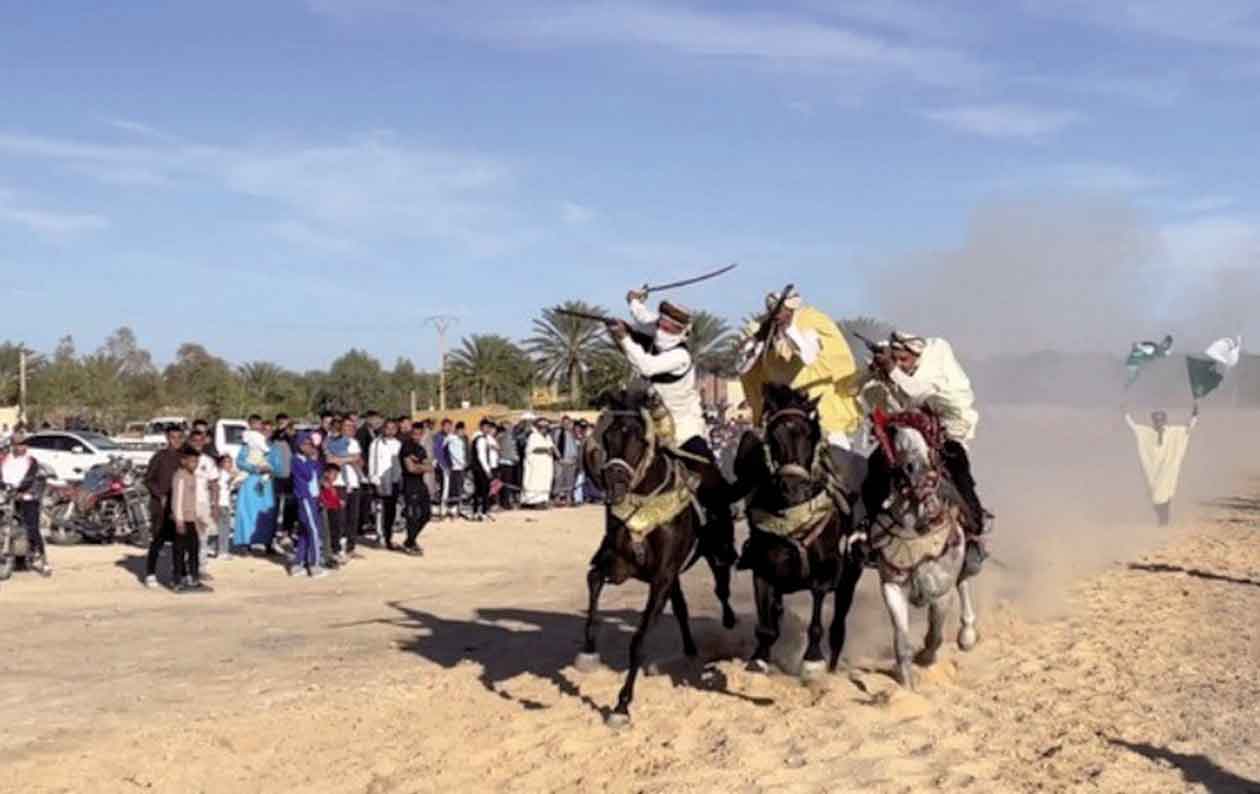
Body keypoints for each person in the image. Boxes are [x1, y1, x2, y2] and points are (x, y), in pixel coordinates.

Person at [606, 290, 739, 563]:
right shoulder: (656, 329)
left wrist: (623, 338)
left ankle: (723, 545)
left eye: (670, 327)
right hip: (651, 425)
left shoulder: (680, 357)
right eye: (663, 323)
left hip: (684, 429)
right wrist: (634, 300)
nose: (663, 329)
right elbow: (642, 317)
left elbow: (646, 364)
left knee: (714, 485)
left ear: (681, 332)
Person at [862, 331, 991, 544]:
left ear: (917, 357)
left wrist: (891, 369)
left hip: (945, 433)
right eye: (896, 359)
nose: (900, 364)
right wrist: (873, 371)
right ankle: (865, 529)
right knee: (874, 469)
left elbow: (916, 393)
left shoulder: (932, 373)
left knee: (959, 470)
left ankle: (974, 525)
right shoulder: (897, 373)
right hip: (905, 435)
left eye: (904, 359)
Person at [737, 287, 863, 452]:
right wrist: (760, 339)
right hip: (778, 408)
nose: (777, 315)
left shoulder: (813, 320)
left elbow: (809, 358)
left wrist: (788, 330)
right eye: (774, 311)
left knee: (839, 454)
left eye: (782, 310)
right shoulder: (760, 327)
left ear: (791, 309)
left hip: (817, 405)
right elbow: (742, 366)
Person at [1126, 404, 1198, 526]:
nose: (1158, 423)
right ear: (1153, 421)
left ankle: (1164, 520)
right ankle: (1162, 517)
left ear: (1165, 420)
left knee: (1165, 492)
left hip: (1168, 469)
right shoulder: (1147, 433)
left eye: (1161, 420)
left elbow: (1188, 429)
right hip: (1153, 471)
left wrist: (1194, 415)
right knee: (1155, 495)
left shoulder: (1173, 432)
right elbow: (1133, 427)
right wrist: (1125, 413)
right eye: (1156, 420)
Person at [0, 432, 51, 576]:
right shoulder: (4, 459)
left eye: (23, 444)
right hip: (7, 496)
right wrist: (4, 487)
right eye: (17, 444)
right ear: (12, 445)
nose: (21, 447)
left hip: (27, 496)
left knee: (32, 528)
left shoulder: (31, 461)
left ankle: (43, 561)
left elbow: (31, 478)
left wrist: (22, 490)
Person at [143, 426, 186, 588]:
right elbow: (148, 479)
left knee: (179, 541)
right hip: (160, 505)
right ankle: (150, 573)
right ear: (167, 438)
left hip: (180, 505)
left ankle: (179, 574)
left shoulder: (185, 457)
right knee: (158, 540)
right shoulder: (159, 457)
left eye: (179, 437)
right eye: (173, 437)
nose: (176, 441)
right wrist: (159, 495)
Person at [232, 430, 278, 555]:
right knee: (246, 512)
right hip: (249, 483)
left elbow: (277, 464)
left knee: (267, 512)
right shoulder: (246, 447)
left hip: (266, 485)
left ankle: (267, 543)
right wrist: (255, 468)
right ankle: (245, 544)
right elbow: (240, 462)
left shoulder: (272, 448)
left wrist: (270, 469)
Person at [326, 416, 365, 558]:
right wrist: (350, 458)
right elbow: (330, 460)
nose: (349, 429)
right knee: (338, 518)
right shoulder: (331, 442)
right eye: (346, 426)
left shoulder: (354, 442)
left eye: (352, 426)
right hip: (338, 483)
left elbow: (360, 462)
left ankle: (350, 547)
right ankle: (335, 548)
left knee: (353, 518)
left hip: (353, 483)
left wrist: (343, 459)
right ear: (340, 427)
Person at [290, 431, 328, 577]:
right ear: (299, 445)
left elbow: (318, 472)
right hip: (305, 497)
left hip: (314, 496)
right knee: (314, 530)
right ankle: (314, 563)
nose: (309, 447)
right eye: (306, 444)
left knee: (305, 531)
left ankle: (298, 562)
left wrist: (315, 460)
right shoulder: (297, 460)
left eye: (310, 444)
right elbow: (306, 474)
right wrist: (312, 460)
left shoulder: (308, 459)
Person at [170, 447, 206, 590]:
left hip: (192, 519)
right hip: (182, 520)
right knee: (179, 552)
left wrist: (198, 519)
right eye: (191, 461)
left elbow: (194, 500)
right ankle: (177, 580)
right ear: (183, 461)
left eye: (196, 461)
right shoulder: (180, 476)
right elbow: (177, 500)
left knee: (194, 550)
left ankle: (193, 578)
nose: (194, 464)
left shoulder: (193, 476)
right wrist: (179, 520)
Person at [188, 429, 220, 575]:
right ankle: (185, 567)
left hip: (203, 504)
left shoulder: (208, 460)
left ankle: (201, 568)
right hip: (186, 504)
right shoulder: (183, 459)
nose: (198, 443)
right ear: (190, 441)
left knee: (203, 537)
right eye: (195, 441)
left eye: (201, 440)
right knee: (186, 537)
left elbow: (214, 484)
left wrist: (215, 505)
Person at [399, 423, 433, 554]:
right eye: (414, 433)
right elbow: (410, 468)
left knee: (426, 514)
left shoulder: (421, 449)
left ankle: (410, 540)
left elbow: (429, 467)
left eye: (419, 434)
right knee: (412, 515)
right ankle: (410, 543)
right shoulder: (406, 447)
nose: (416, 436)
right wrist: (421, 467)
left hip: (421, 484)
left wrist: (419, 466)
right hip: (409, 484)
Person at [369, 418, 403, 546]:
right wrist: (374, 478)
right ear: (383, 429)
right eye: (388, 428)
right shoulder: (376, 444)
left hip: (394, 480)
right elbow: (372, 462)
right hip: (381, 480)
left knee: (391, 510)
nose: (390, 430)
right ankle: (380, 534)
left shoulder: (398, 444)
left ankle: (388, 536)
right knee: (380, 509)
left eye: (393, 428)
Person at [521, 416, 557, 509]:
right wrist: (545, 450)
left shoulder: (548, 437)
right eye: (542, 427)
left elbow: (552, 447)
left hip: (546, 465)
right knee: (534, 482)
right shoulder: (534, 436)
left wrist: (555, 452)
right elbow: (531, 449)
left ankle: (542, 501)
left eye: (545, 427)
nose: (544, 429)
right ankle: (532, 501)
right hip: (536, 465)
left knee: (544, 482)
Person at [470, 418, 499, 522]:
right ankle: (483, 512)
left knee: (479, 491)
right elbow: (482, 457)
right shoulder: (481, 439)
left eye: (489, 427)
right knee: (484, 491)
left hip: (478, 468)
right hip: (481, 469)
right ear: (482, 427)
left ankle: (477, 512)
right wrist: (487, 470)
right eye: (486, 427)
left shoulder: (482, 438)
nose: (488, 429)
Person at [213, 454, 239, 560]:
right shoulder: (222, 474)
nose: (229, 464)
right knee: (223, 529)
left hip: (224, 504)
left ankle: (221, 550)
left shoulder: (223, 473)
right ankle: (222, 551)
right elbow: (227, 484)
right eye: (227, 462)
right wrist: (234, 477)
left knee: (223, 529)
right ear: (221, 463)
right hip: (222, 504)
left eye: (230, 462)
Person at [318, 465, 344, 566]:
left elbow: (334, 498)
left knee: (335, 531)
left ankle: (332, 553)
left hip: (334, 510)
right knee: (326, 534)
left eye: (337, 475)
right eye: (334, 474)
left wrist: (339, 502)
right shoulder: (323, 483)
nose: (335, 477)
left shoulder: (331, 485)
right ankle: (327, 556)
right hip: (327, 511)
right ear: (326, 473)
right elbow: (322, 498)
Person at [445, 421, 470, 520]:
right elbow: (453, 453)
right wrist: (460, 462)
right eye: (462, 430)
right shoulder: (452, 439)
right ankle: (452, 509)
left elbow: (462, 453)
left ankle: (458, 508)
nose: (463, 432)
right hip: (456, 468)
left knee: (460, 488)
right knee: (455, 489)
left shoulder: (460, 440)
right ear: (459, 430)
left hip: (461, 467)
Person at [552, 416, 580, 507]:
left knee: (569, 480)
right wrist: (558, 456)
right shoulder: (556, 432)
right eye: (564, 423)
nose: (566, 424)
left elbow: (577, 445)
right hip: (559, 460)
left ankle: (569, 498)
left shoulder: (574, 433)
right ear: (561, 423)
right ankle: (557, 499)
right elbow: (553, 445)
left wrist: (575, 458)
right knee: (558, 479)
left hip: (571, 460)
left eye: (568, 423)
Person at [495, 422, 519, 510]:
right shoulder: (503, 437)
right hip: (505, 462)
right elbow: (505, 450)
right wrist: (514, 457)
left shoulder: (506, 437)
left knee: (506, 484)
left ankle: (505, 502)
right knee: (505, 484)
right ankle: (504, 503)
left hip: (507, 462)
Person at [432, 419, 452, 518]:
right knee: (444, 487)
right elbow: (438, 453)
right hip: (443, 466)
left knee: (446, 488)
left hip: (448, 466)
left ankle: (444, 507)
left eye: (450, 426)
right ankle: (442, 509)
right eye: (446, 426)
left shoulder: (449, 437)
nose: (448, 428)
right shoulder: (439, 437)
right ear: (442, 426)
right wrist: (443, 466)